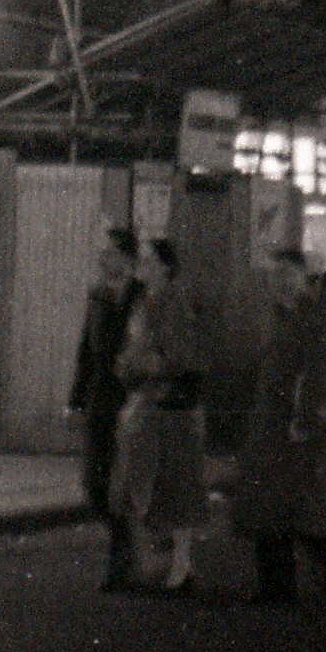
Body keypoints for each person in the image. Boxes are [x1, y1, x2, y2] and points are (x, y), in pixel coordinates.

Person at [234, 246, 326, 604]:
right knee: (267, 507)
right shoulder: (269, 317)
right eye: (274, 276)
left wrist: (309, 415)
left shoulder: (318, 319)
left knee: (305, 506)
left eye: (286, 275)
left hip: (299, 425)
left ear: (302, 278)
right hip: (269, 423)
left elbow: (322, 370)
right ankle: (275, 586)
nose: (279, 283)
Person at [107, 238, 208, 594]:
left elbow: (179, 356)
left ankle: (180, 564)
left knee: (176, 485)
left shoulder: (173, 301)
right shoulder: (143, 301)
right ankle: (167, 559)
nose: (142, 265)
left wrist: (138, 366)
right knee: (145, 484)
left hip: (168, 408)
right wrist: (127, 365)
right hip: (147, 405)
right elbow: (134, 348)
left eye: (149, 260)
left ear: (165, 265)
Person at [68, 229, 143, 588]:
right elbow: (86, 347)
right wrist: (75, 398)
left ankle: (124, 556)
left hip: (132, 398)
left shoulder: (142, 296)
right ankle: (124, 541)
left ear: (127, 259)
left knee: (124, 480)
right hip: (100, 396)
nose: (103, 258)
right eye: (102, 253)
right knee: (93, 482)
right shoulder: (97, 294)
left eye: (110, 253)